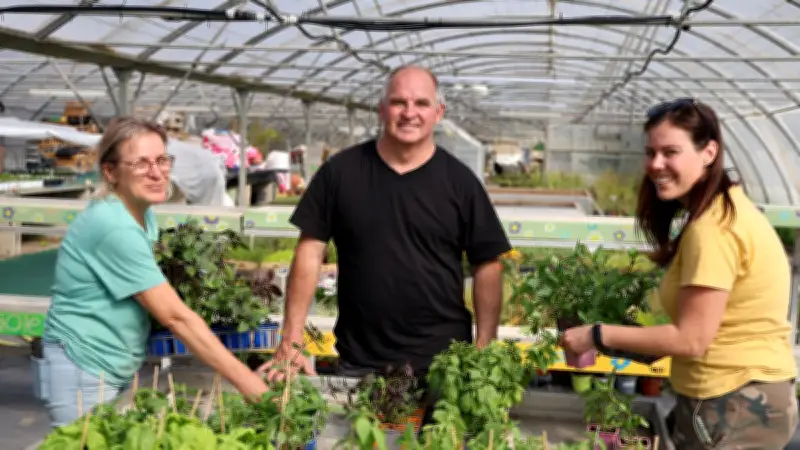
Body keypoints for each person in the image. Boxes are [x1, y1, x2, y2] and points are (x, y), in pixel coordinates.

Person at [560, 98, 798, 449]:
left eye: (671, 152)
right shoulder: (717, 213)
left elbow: (691, 340)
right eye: (650, 152)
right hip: (732, 397)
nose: (656, 165)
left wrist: (596, 335)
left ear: (709, 152)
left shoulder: (714, 228)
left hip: (737, 402)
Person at [260, 65, 511, 382]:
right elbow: (310, 251)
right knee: (357, 432)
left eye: (421, 103)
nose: (409, 113)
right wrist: (292, 336)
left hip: (444, 364)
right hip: (360, 359)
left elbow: (488, 263)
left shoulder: (460, 182)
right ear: (381, 109)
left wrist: (484, 345)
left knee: (439, 433)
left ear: (438, 112)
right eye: (398, 103)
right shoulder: (341, 173)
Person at [41, 117, 268, 428]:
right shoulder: (113, 226)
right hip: (85, 367)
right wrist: (248, 383)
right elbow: (174, 316)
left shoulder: (141, 214)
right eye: (141, 163)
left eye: (162, 160)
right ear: (110, 171)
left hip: (107, 363)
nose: (157, 172)